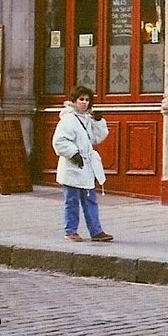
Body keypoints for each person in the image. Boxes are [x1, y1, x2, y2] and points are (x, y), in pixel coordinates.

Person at [52, 85, 113, 242]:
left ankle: (96, 231)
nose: (84, 103)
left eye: (87, 100)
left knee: (90, 199)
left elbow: (95, 138)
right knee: (71, 200)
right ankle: (70, 230)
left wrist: (98, 121)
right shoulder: (68, 119)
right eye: (81, 99)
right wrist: (73, 153)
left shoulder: (86, 118)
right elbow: (59, 140)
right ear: (74, 101)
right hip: (73, 165)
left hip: (85, 166)